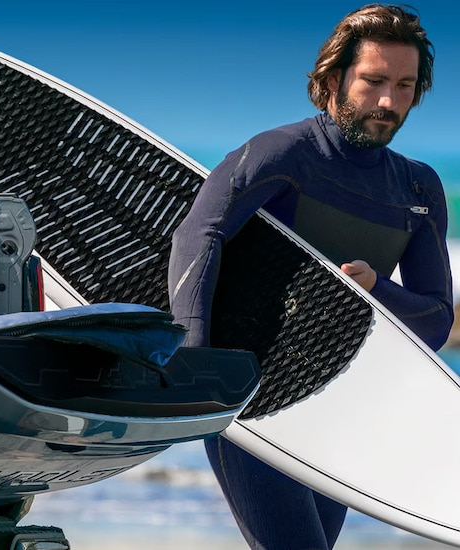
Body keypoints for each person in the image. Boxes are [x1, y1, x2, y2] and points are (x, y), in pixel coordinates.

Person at [167, 4, 452, 549]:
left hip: (345, 405)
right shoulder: (282, 154)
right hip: (256, 400)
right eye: (373, 81)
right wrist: (196, 364)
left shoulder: (418, 190)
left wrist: (375, 291)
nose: (389, 102)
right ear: (331, 79)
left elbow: (437, 319)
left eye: (405, 85)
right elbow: (196, 237)